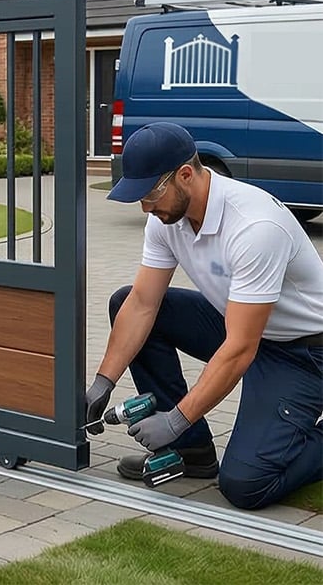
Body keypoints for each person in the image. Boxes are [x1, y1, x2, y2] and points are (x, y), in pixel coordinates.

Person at [86, 121, 323, 509]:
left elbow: (241, 348)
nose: (146, 207)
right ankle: (192, 451)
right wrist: (102, 382)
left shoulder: (254, 227)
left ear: (185, 175)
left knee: (246, 484)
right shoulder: (166, 219)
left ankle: (183, 432)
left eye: (150, 194)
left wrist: (174, 418)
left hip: (301, 352)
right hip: (240, 324)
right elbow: (144, 303)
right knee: (124, 300)